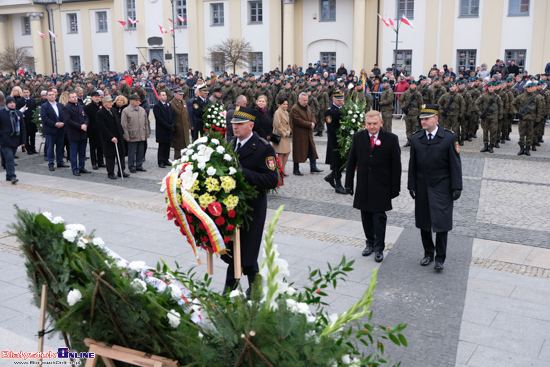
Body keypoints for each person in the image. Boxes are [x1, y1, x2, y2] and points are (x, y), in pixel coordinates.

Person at [222, 107, 279, 297]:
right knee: (238, 249)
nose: (235, 127)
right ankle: (255, 289)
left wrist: (243, 172)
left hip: (252, 207)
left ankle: (229, 291)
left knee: (244, 249)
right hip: (231, 206)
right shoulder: (230, 144)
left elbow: (272, 180)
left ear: (251, 126)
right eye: (233, 124)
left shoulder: (263, 148)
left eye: (239, 124)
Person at [408, 105, 462, 271]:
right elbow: (412, 164)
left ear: (436, 119)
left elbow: (455, 164)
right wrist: (411, 184)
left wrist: (457, 186)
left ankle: (440, 257)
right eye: (422, 119)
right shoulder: (416, 138)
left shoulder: (448, 138)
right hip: (422, 185)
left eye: (426, 119)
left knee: (441, 222)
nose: (423, 122)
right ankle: (428, 253)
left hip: (442, 185)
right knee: (424, 221)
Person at [345, 110, 401, 262]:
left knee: (379, 217)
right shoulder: (358, 137)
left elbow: (396, 166)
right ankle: (369, 243)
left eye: (375, 124)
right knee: (366, 215)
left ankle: (379, 247)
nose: (372, 127)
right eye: (369, 124)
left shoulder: (390, 139)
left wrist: (395, 188)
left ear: (381, 123)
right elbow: (351, 162)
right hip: (364, 184)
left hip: (382, 186)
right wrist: (349, 183)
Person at [96, 95, 130, 179]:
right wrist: (111, 137)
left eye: (111, 102)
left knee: (121, 154)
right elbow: (102, 127)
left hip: (118, 136)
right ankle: (110, 172)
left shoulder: (114, 110)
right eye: (109, 102)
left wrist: (122, 133)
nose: (111, 103)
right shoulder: (100, 113)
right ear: (104, 103)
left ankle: (121, 171)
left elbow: (118, 122)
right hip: (109, 138)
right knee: (110, 156)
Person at [290, 92, 323, 175]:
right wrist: (309, 124)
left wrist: (314, 122)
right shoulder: (295, 109)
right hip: (299, 134)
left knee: (312, 150)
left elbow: (312, 115)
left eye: (306, 100)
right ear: (299, 99)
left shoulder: (307, 107)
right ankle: (296, 169)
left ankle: (313, 167)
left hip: (308, 133)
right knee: (298, 152)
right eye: (304, 100)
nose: (305, 102)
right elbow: (298, 121)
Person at [324, 91, 346, 194]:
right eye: (339, 100)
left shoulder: (343, 108)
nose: (341, 102)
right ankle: (338, 185)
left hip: (344, 140)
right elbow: (331, 129)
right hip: (335, 141)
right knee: (337, 163)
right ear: (333, 99)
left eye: (342, 99)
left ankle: (331, 176)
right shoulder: (330, 111)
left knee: (344, 162)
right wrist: (342, 131)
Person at [63, 92, 90, 176]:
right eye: (73, 97)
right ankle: (74, 169)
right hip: (74, 132)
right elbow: (68, 120)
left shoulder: (80, 106)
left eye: (75, 97)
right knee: (73, 153)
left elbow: (85, 117)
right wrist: (80, 126)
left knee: (82, 152)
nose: (75, 98)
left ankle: (82, 167)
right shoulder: (67, 108)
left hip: (83, 133)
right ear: (69, 99)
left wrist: (85, 124)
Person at [0, 96, 26, 184]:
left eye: (13, 102)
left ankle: (8, 175)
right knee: (10, 158)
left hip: (15, 140)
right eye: (10, 103)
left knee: (10, 159)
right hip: (5, 140)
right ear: (7, 104)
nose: (12, 104)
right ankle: (12, 176)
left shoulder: (18, 113)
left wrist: (23, 141)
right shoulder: (1, 113)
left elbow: (22, 128)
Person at [41, 90, 68, 171]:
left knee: (60, 147)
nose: (52, 96)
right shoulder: (44, 106)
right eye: (50, 95)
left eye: (53, 94)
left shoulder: (60, 105)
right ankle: (51, 163)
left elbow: (65, 115)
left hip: (60, 130)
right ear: (47, 96)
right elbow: (44, 118)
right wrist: (54, 124)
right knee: (50, 147)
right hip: (50, 130)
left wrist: (63, 123)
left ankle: (60, 162)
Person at [121, 94, 149, 173]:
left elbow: (146, 123)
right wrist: (126, 135)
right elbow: (124, 125)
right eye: (136, 101)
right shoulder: (126, 110)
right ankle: (131, 166)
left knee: (141, 151)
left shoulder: (142, 110)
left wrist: (146, 133)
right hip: (132, 134)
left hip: (141, 134)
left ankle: (139, 165)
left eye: (138, 100)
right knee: (131, 152)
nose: (138, 102)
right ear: (131, 101)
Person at [475, 81, 503, 153]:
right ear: (488, 88)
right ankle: (485, 145)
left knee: (493, 131)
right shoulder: (483, 96)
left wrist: (500, 116)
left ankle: (491, 146)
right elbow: (476, 104)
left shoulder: (497, 97)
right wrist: (480, 113)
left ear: (494, 88)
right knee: (485, 131)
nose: (491, 89)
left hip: (494, 116)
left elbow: (500, 107)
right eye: (490, 87)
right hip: (485, 116)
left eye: (492, 87)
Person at [83, 91, 105, 170]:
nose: (97, 98)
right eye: (95, 96)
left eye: (98, 96)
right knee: (93, 147)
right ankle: (94, 163)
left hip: (101, 129)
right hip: (92, 129)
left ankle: (100, 162)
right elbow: (87, 119)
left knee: (101, 147)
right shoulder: (88, 107)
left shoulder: (102, 105)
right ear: (91, 98)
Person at [153, 90, 174, 168]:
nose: (165, 96)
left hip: (169, 128)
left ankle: (166, 159)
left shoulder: (168, 104)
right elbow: (159, 118)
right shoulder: (157, 106)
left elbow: (172, 114)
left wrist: (172, 124)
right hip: (162, 129)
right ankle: (161, 161)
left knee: (168, 145)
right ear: (159, 96)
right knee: (162, 146)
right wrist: (167, 125)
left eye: (165, 95)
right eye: (163, 95)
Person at [272, 97, 291, 176]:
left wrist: (289, 131)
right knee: (281, 153)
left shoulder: (286, 112)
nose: (285, 106)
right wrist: (284, 132)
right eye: (284, 104)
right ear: (279, 104)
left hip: (285, 135)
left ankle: (283, 169)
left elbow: (288, 124)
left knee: (287, 152)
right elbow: (278, 124)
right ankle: (279, 171)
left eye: (286, 104)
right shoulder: (278, 112)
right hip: (280, 135)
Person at [16, 87, 37, 155]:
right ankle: (28, 149)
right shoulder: (20, 101)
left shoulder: (32, 100)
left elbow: (35, 109)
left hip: (32, 121)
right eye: (24, 92)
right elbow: (17, 111)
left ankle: (33, 148)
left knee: (33, 136)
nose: (26, 94)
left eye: (27, 92)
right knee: (26, 136)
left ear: (29, 93)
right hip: (25, 121)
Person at [170, 89, 190, 160]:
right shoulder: (172, 104)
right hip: (178, 126)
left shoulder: (184, 102)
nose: (181, 96)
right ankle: (177, 157)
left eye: (182, 95)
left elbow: (187, 114)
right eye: (180, 95)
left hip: (185, 125)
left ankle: (185, 156)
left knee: (186, 143)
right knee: (178, 144)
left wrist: (189, 124)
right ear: (175, 95)